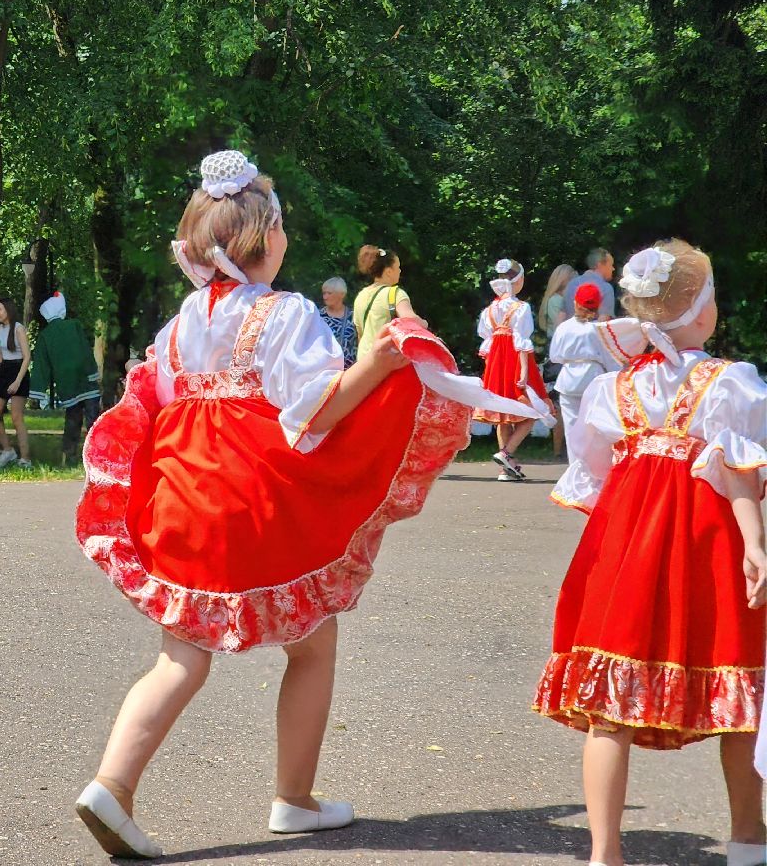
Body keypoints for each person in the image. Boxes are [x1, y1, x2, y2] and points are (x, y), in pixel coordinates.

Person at [73, 150, 541, 859]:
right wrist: (376, 365)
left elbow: (161, 396)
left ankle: (115, 782)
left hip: (182, 493)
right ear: (270, 240)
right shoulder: (284, 313)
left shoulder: (183, 321)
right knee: (314, 646)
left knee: (181, 657)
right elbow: (314, 412)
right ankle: (292, 798)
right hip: (254, 495)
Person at [535, 240, 767, 866]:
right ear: (697, 312)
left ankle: (604, 852)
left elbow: (593, 468)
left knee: (610, 704)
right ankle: (749, 835)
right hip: (702, 536)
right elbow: (740, 468)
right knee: (736, 683)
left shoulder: (614, 388)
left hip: (626, 540)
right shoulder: (727, 383)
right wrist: (754, 543)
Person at [473, 258, 553, 482]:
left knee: (503, 415)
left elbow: (487, 345)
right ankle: (506, 453)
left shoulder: (489, 310)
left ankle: (505, 468)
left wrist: (490, 370)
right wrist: (525, 371)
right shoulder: (521, 308)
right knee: (533, 410)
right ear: (517, 282)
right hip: (516, 362)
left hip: (496, 364)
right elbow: (521, 342)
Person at [545, 287, 620, 465]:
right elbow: (611, 359)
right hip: (594, 378)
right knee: (595, 428)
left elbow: (555, 355)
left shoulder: (564, 328)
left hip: (569, 379)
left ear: (575, 303)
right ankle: (593, 467)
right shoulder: (600, 330)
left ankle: (575, 467)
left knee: (571, 428)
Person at [28, 291, 101, 464]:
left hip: (65, 383)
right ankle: (98, 455)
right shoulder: (74, 325)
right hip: (85, 379)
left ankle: (69, 455)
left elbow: (41, 365)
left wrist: (38, 391)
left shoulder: (45, 336)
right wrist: (93, 373)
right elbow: (85, 349)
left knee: (72, 419)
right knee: (93, 419)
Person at [0, 297, 32, 468]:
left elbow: (27, 357)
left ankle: (25, 459)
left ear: (8, 310)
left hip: (18, 371)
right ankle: (8, 450)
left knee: (16, 417)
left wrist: (17, 381)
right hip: (3, 370)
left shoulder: (19, 329)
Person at [539, 263, 577, 459]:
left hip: (556, 352)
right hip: (560, 353)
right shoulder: (557, 301)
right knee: (562, 404)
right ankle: (559, 448)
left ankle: (559, 448)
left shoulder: (555, 300)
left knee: (561, 403)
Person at [351, 245, 419, 342]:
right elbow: (411, 320)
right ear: (388, 272)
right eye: (398, 267)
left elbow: (360, 334)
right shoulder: (395, 293)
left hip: (365, 355)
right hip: (386, 355)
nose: (400, 271)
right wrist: (424, 323)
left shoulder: (360, 296)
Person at [563, 247, 616, 319]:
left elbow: (562, 315)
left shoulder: (571, 284)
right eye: (611, 265)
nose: (613, 269)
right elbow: (604, 319)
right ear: (600, 264)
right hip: (593, 329)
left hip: (570, 328)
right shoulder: (606, 288)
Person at [317, 277, 357, 367]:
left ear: (342, 294)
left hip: (348, 371)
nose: (325, 297)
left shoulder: (353, 317)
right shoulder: (318, 316)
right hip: (323, 370)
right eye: (324, 293)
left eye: (329, 293)